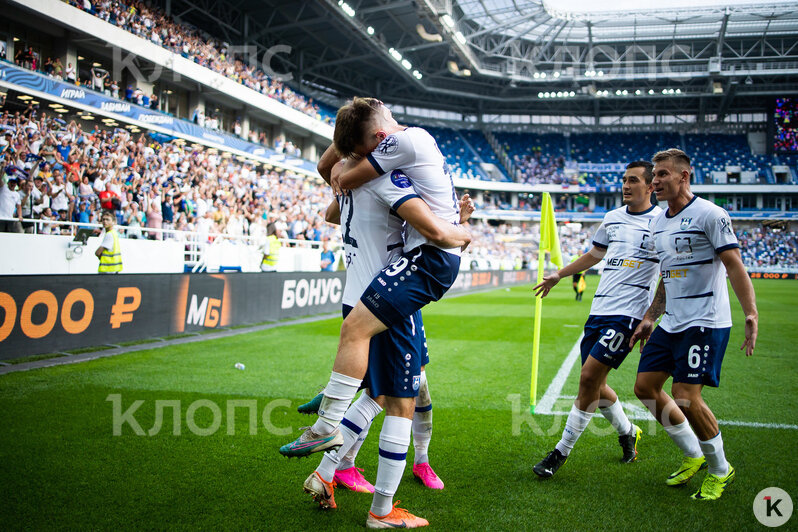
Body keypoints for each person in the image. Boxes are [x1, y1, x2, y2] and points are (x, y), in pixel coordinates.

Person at [279, 98, 470, 468]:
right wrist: (462, 231)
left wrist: (458, 230)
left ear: (380, 142)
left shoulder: (397, 151)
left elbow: (334, 180)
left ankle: (335, 438)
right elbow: (429, 227)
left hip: (401, 271)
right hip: (402, 270)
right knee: (393, 394)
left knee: (387, 382)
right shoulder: (388, 176)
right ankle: (359, 482)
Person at [298, 155, 473, 528]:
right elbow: (436, 235)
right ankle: (381, 509)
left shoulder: (348, 183)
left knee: (380, 394)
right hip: (389, 299)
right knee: (400, 402)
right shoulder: (387, 180)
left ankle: (329, 471)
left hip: (359, 295)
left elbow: (332, 214)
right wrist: (462, 227)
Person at [629, 149, 757, 501]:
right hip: (671, 321)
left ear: (684, 176)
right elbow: (667, 277)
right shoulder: (658, 222)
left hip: (705, 320)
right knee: (645, 388)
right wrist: (651, 317)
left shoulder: (711, 214)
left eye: (663, 175)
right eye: (654, 175)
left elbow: (734, 266)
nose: (655, 181)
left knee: (686, 397)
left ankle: (720, 469)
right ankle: (693, 455)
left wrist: (751, 312)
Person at [531, 161, 662, 478]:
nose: (626, 185)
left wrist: (651, 315)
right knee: (597, 385)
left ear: (650, 186)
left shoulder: (661, 222)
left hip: (628, 315)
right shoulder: (612, 218)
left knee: (588, 378)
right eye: (624, 180)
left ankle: (559, 453)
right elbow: (594, 254)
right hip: (599, 310)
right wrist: (559, 274)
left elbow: (668, 273)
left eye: (633, 180)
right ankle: (628, 431)